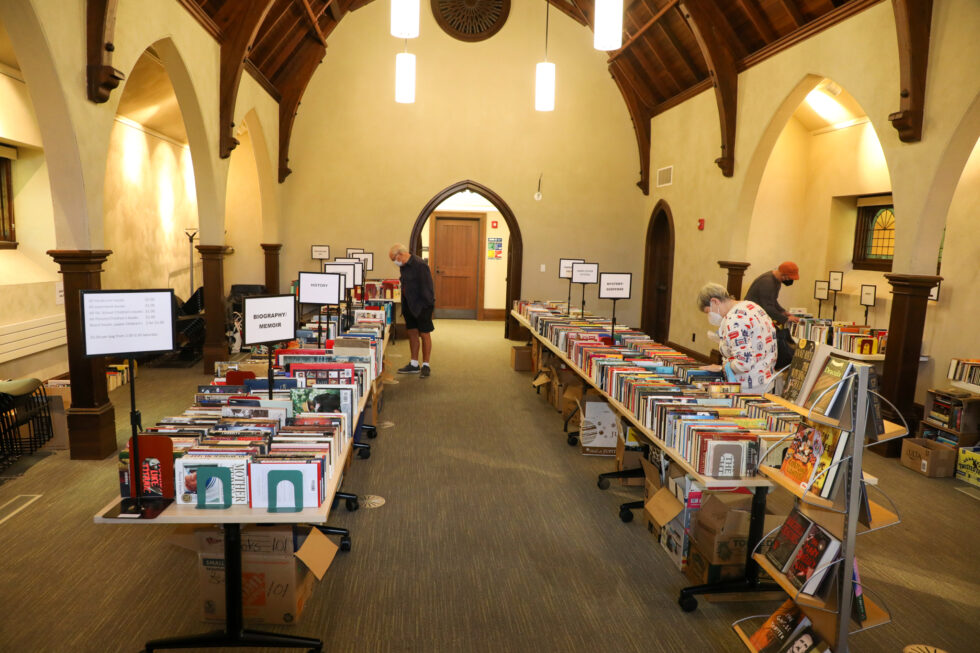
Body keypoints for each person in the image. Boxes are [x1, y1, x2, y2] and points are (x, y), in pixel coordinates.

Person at [696, 282, 777, 393]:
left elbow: (744, 362)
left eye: (708, 312)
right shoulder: (752, 306)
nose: (709, 317)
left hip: (748, 388)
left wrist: (721, 368)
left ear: (714, 301)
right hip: (765, 382)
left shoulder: (734, 320)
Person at [389, 243, 435, 378]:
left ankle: (426, 365)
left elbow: (428, 288)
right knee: (412, 334)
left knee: (425, 334)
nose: (394, 262)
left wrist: (426, 307)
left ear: (401, 254)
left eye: (394, 259)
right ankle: (414, 364)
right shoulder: (403, 266)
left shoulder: (420, 265)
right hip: (409, 305)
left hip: (422, 306)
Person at [744, 261, 801, 369]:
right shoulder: (767, 282)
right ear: (784, 275)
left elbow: (773, 301)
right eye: (790, 278)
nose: (791, 281)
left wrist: (783, 311)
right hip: (752, 318)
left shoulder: (776, 281)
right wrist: (785, 319)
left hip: (759, 316)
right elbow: (768, 307)